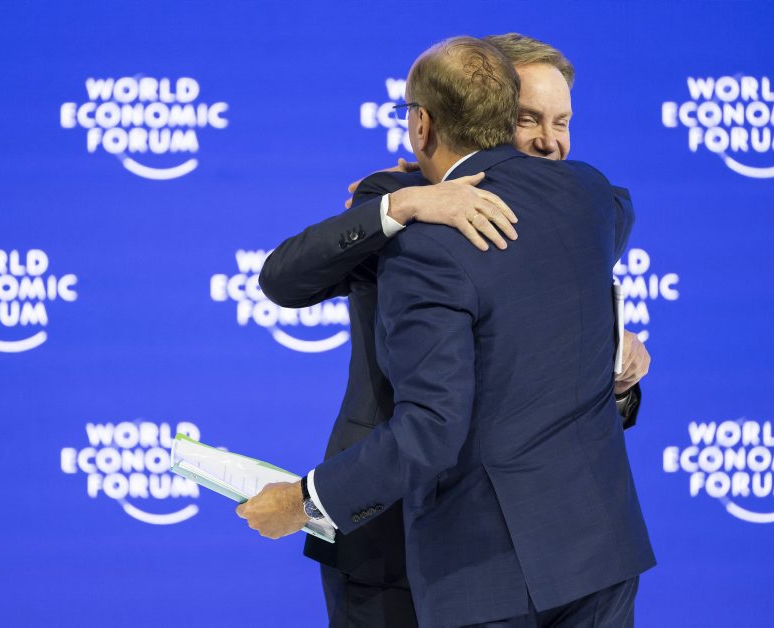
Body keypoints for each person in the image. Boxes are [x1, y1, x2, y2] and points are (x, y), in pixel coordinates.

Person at [238, 36, 655, 627]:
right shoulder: (399, 204)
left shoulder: (580, 197)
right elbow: (283, 279)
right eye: (526, 118)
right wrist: (403, 205)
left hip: (538, 551)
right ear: (488, 113)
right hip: (389, 538)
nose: (547, 142)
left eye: (562, 122)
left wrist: (613, 350)